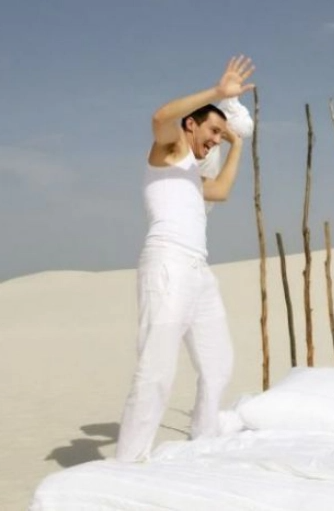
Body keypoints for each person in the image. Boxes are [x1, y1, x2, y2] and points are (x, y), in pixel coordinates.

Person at [116, 55, 255, 462]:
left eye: (220, 135)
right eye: (212, 130)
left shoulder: (192, 175)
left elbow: (222, 191)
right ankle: (129, 462)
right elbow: (161, 116)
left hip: (198, 271)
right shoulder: (168, 153)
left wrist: (237, 144)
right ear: (191, 124)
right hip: (168, 264)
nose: (215, 140)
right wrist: (218, 92)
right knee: (156, 367)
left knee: (218, 363)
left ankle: (204, 442)